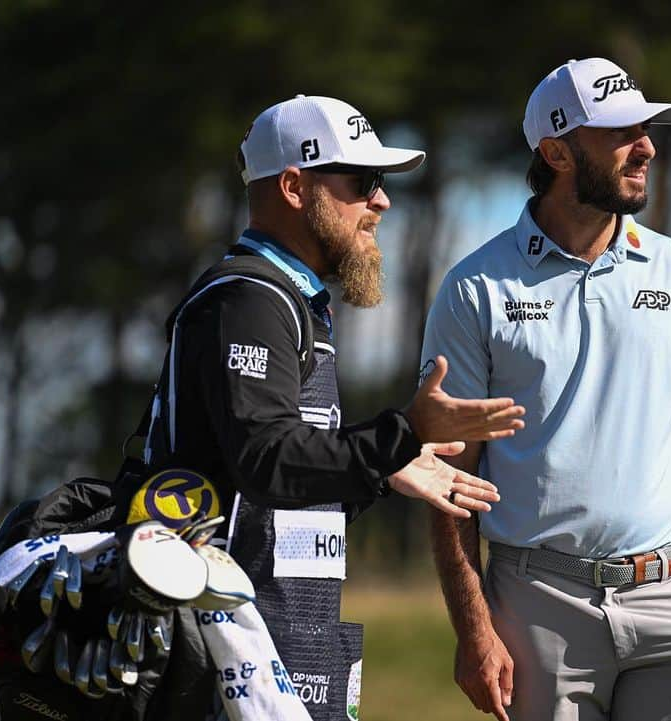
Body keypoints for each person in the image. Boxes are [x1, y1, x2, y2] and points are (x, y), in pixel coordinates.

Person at [133, 94, 525, 721]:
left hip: (269, 648)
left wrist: (386, 467)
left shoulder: (293, 301)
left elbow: (284, 482)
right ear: (293, 186)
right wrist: (401, 434)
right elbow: (266, 460)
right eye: (364, 181)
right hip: (222, 656)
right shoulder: (250, 299)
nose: (382, 201)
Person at [421, 58, 671, 721]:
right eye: (622, 131)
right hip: (536, 606)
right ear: (556, 151)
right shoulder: (476, 288)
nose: (646, 146)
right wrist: (473, 626)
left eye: (646, 130)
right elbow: (451, 476)